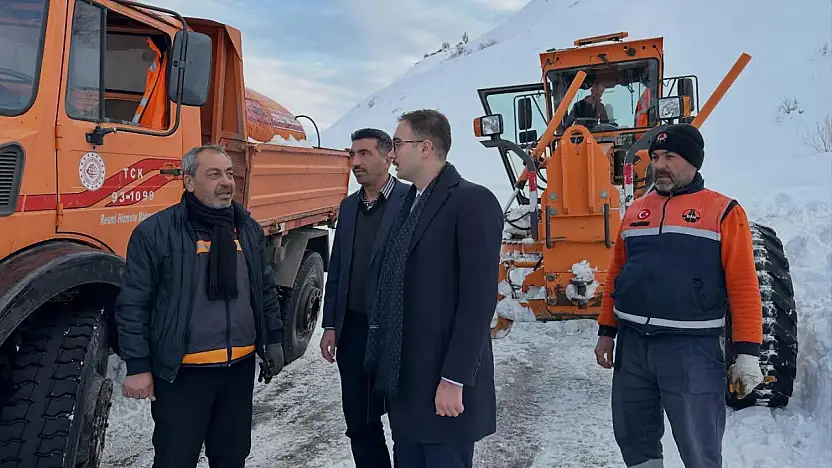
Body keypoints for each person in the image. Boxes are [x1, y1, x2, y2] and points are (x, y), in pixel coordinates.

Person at [593, 123, 765, 468]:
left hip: (691, 349)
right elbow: (617, 276)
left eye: (670, 156)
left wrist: (748, 353)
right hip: (633, 347)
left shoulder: (723, 212)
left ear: (693, 161)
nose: (659, 165)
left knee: (698, 445)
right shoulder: (636, 211)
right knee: (633, 436)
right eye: (656, 156)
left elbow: (744, 285)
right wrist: (606, 332)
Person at [114, 144, 286, 468]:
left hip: (238, 370)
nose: (226, 182)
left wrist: (273, 339)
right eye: (214, 174)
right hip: (184, 374)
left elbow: (264, 289)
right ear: (189, 181)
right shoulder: (155, 233)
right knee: (175, 459)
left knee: (231, 457)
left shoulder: (247, 229)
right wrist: (138, 366)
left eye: (229, 174)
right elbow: (134, 303)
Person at [363, 109, 504, 468]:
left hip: (442, 384)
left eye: (397, 144)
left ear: (425, 148)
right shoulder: (405, 204)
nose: (391, 154)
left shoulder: (472, 202)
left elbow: (477, 300)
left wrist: (454, 378)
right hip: (405, 384)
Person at [319, 128, 409, 467]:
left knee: (403, 424)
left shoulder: (411, 201)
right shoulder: (348, 206)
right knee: (360, 423)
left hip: (396, 332)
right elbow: (338, 269)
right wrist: (330, 324)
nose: (355, 162)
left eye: (364, 154)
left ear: (388, 157)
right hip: (354, 332)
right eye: (352, 154)